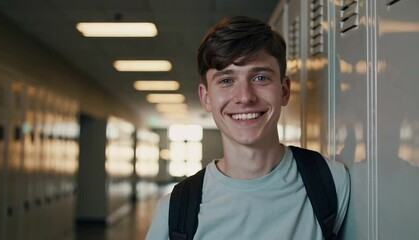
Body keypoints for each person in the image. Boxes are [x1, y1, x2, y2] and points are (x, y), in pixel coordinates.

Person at [146, 16, 350, 240]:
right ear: (206, 98)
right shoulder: (175, 211)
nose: (245, 97)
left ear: (284, 91)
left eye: (261, 78)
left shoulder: (332, 183)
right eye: (226, 81)